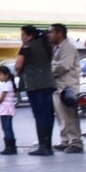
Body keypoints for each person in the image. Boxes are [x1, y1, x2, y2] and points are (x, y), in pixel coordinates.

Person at [16, 25, 56, 156]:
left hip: (35, 85)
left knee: (39, 116)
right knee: (48, 115)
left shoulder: (27, 47)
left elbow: (18, 65)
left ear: (29, 36)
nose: (21, 37)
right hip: (49, 83)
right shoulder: (46, 45)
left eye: (22, 35)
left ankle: (42, 146)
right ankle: (48, 145)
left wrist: (20, 72)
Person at [48, 23, 83, 153]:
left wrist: (48, 70)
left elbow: (63, 66)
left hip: (67, 87)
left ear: (59, 33)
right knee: (61, 116)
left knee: (69, 115)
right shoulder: (56, 48)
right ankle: (65, 140)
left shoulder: (68, 47)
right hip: (58, 86)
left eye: (51, 32)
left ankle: (76, 142)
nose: (49, 35)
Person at [0, 65, 17, 155]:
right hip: (9, 108)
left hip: (5, 109)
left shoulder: (7, 85)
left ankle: (9, 147)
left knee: (6, 128)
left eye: (0, 75)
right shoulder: (10, 84)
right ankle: (11, 146)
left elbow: (2, 97)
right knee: (8, 127)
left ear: (6, 75)